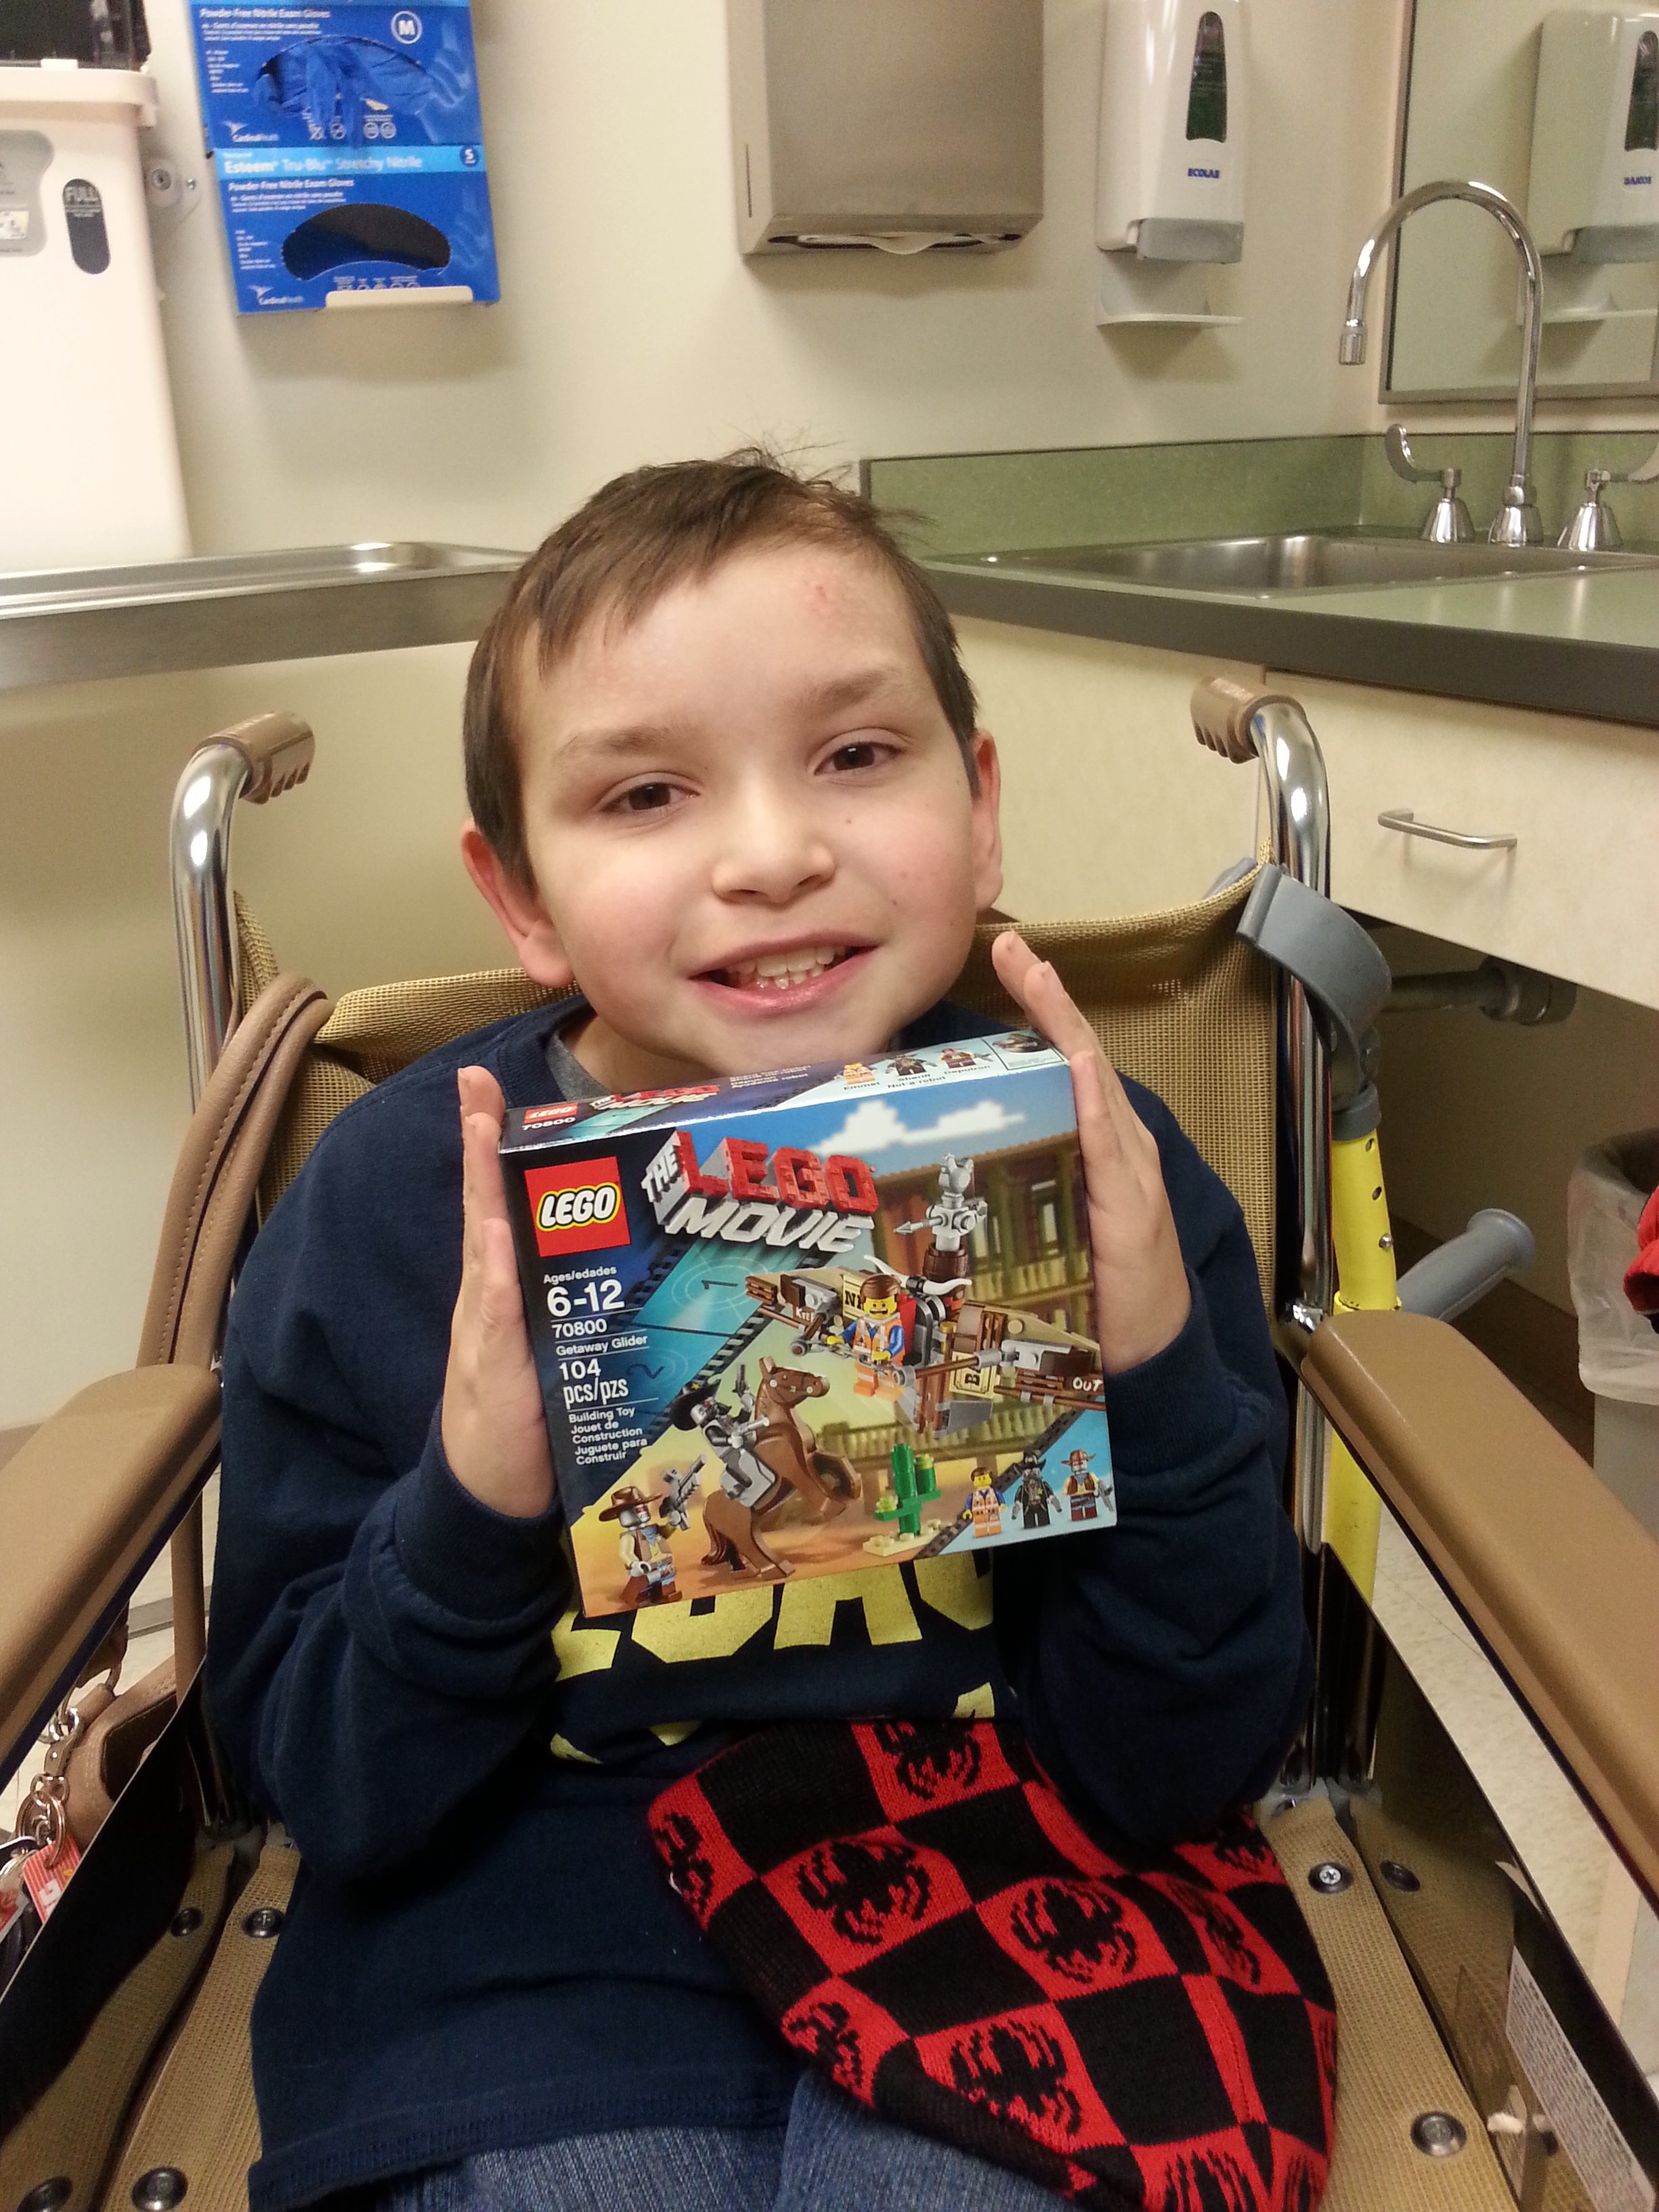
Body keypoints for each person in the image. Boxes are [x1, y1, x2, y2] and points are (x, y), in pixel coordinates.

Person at [205, 453, 1311, 2212]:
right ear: (520, 896)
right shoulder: (389, 1207)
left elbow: (1184, 1766)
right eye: (645, 793)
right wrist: (478, 1512)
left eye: (858, 756)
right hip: (530, 1967)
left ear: (984, 802)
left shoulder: (1098, 1169)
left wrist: (1160, 1380)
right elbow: (317, 1787)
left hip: (1016, 1922)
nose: (775, 853)